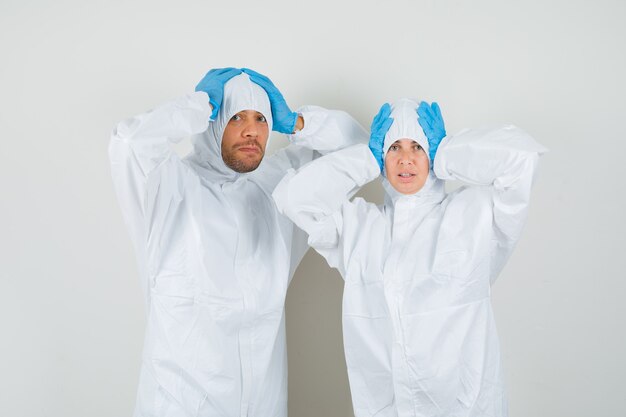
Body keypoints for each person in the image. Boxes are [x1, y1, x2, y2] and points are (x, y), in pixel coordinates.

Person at [109, 67, 368, 417]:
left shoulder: (277, 190)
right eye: (235, 117)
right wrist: (198, 106)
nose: (251, 130)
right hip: (177, 406)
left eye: (261, 118)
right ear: (212, 121)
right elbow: (129, 142)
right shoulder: (170, 188)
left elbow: (358, 150)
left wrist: (296, 123)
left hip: (264, 405)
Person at [273, 98, 547, 417]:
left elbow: (523, 158)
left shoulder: (473, 215)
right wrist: (365, 159)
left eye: (417, 146)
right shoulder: (359, 229)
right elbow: (295, 199)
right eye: (393, 149)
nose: (405, 160)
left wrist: (446, 151)